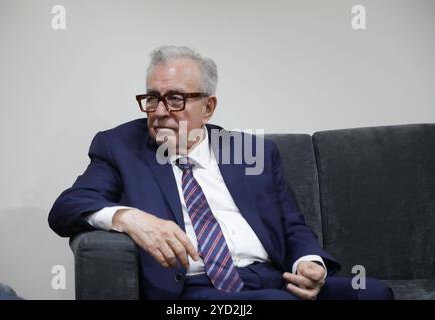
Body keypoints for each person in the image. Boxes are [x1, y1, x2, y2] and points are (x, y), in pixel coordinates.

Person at [48, 45, 393, 300]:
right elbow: (67, 207)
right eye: (152, 98)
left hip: (270, 278)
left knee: (375, 293)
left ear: (208, 107)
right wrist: (129, 217)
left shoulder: (251, 152)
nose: (160, 111)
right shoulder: (121, 147)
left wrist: (309, 261)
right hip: (195, 289)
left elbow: (292, 225)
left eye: (176, 99)